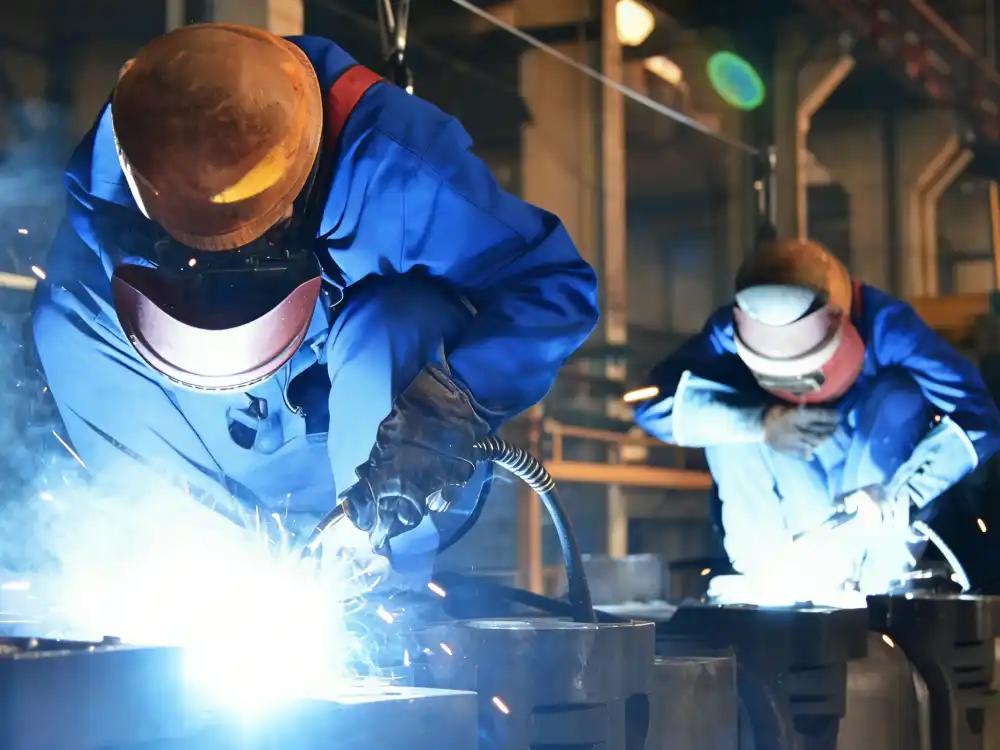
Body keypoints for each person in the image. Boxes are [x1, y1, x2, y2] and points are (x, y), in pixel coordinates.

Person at [31, 24, 599, 568]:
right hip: (219, 453)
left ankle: (374, 579)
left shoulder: (393, 166)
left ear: (295, 186)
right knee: (68, 316)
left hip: (377, 453)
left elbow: (556, 286)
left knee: (394, 319)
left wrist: (444, 412)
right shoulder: (125, 161)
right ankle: (194, 568)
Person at [633, 235, 1000, 593]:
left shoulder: (886, 325)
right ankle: (763, 580)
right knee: (723, 422)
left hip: (878, 495)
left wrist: (906, 493)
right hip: (797, 489)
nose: (797, 388)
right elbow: (649, 402)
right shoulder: (728, 331)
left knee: (899, 398)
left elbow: (980, 417)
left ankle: (880, 583)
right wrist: (759, 423)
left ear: (838, 320)